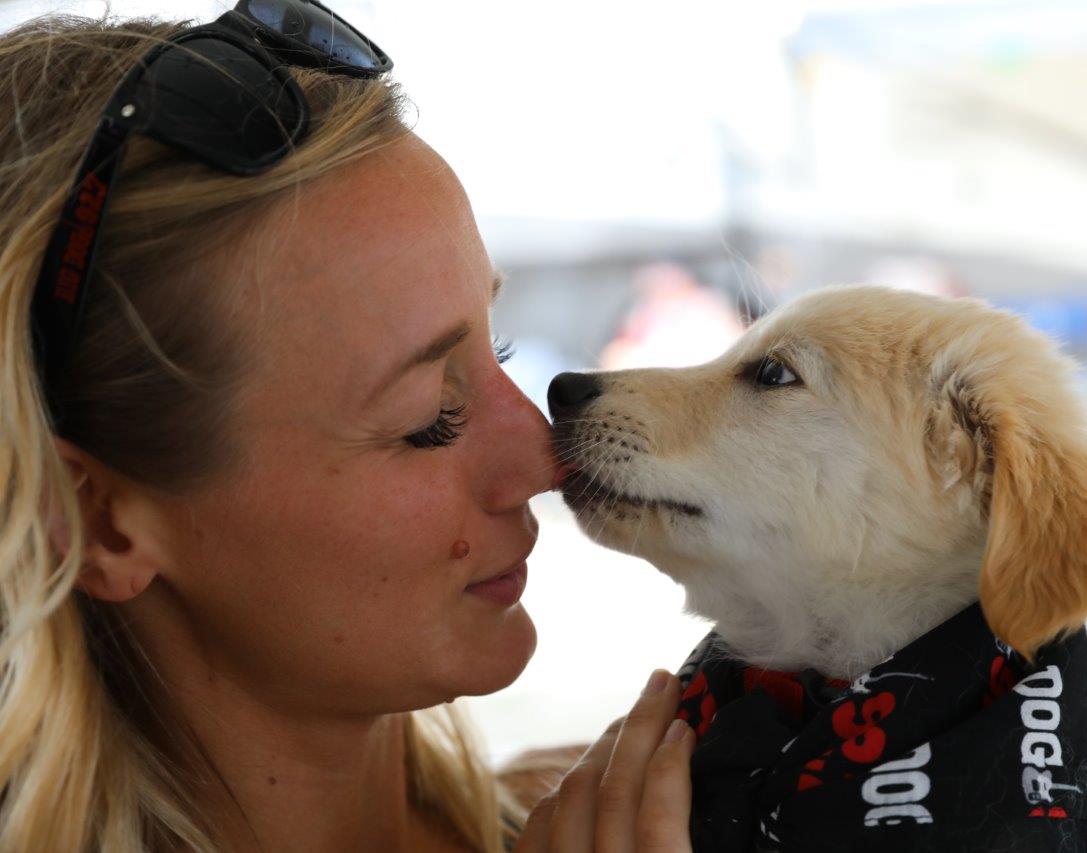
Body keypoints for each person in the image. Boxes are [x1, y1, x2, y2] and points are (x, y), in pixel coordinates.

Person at [0, 7, 693, 851]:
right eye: (427, 421)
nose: (544, 457)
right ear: (96, 520)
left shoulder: (643, 812)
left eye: (496, 345)